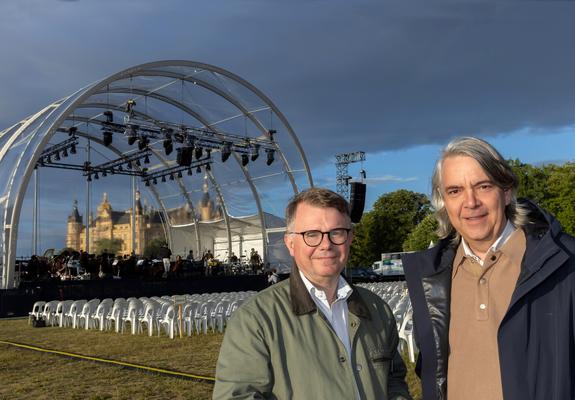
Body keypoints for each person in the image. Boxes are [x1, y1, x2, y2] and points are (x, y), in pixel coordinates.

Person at [403, 137, 575, 400]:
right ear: (443, 203)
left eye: (483, 186)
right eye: (455, 191)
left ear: (506, 192)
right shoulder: (431, 277)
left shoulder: (563, 263)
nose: (470, 202)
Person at [214, 188, 411, 400]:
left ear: (350, 238)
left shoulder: (377, 309)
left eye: (336, 232)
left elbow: (394, 381)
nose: (326, 245)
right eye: (312, 235)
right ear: (290, 243)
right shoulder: (255, 319)